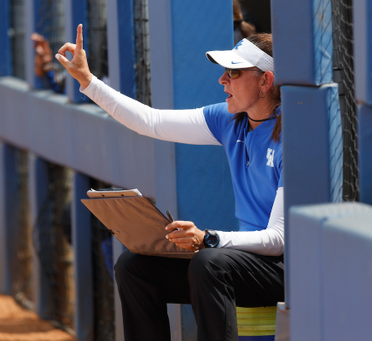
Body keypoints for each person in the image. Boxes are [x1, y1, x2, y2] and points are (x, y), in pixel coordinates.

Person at [56, 24, 284, 341]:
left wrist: (209, 238)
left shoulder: (292, 137)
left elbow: (278, 240)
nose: (222, 80)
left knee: (209, 262)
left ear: (265, 82)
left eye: (233, 73)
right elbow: (151, 121)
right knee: (134, 267)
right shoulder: (229, 120)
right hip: (238, 261)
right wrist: (88, 82)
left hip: (284, 269)